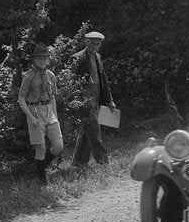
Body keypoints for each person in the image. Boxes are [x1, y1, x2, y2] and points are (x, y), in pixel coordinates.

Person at [17, 43, 64, 183]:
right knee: (41, 148)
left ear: (48, 59)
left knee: (58, 146)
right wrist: (30, 117)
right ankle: (42, 181)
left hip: (49, 111)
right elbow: (21, 98)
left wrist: (56, 116)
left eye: (45, 57)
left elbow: (53, 97)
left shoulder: (51, 75)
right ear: (34, 59)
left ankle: (41, 167)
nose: (42, 60)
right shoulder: (29, 76)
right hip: (35, 112)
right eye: (39, 58)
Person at [68, 30, 116, 168]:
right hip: (83, 99)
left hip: (96, 97)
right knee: (94, 131)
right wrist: (77, 101)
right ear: (86, 42)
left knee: (87, 131)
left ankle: (78, 163)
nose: (95, 46)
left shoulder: (98, 57)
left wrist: (109, 100)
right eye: (92, 43)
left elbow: (104, 81)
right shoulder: (76, 58)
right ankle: (104, 164)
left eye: (98, 44)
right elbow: (71, 82)